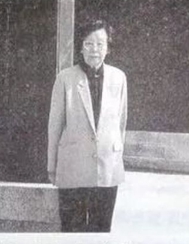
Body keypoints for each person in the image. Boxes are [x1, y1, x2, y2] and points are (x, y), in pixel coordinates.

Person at [47, 19, 128, 232]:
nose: (94, 49)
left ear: (108, 48)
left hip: (107, 168)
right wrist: (51, 165)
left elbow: (121, 123)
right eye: (89, 43)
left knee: (101, 232)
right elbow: (55, 126)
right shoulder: (65, 79)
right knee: (72, 231)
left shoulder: (119, 78)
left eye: (100, 44)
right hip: (73, 167)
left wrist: (117, 158)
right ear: (81, 47)